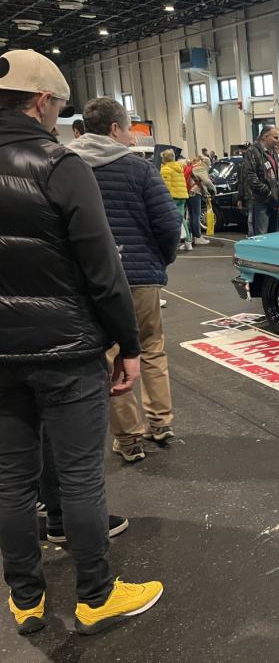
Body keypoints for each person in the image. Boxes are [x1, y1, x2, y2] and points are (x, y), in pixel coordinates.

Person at [0, 48, 163, 636]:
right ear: (42, 101)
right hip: (66, 350)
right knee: (80, 476)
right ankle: (96, 594)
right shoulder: (57, 164)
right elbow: (102, 267)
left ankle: (25, 599)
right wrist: (128, 345)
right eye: (59, 108)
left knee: (11, 482)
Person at [68, 95, 183, 463]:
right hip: (141, 276)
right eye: (129, 129)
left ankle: (129, 439)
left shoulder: (66, 166)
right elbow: (169, 224)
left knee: (111, 355)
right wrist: (158, 261)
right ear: (115, 128)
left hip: (94, 279)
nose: (132, 136)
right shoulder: (139, 169)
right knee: (151, 347)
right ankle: (160, 422)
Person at [241, 125, 279, 235]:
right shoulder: (252, 151)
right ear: (265, 137)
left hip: (274, 202)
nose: (277, 141)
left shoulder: (273, 152)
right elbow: (250, 176)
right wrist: (268, 192)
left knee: (274, 235)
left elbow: (278, 177)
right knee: (262, 236)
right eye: (275, 137)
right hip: (261, 201)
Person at [159, 149, 191, 250]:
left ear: (164, 158)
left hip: (173, 197)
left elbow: (166, 187)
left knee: (170, 220)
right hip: (182, 196)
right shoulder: (179, 167)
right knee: (181, 219)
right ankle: (188, 242)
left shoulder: (165, 169)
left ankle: (172, 243)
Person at [183, 156, 216, 246]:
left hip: (189, 192)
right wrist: (214, 189)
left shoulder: (193, 167)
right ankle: (198, 237)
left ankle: (192, 236)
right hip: (195, 193)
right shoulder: (201, 168)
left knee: (192, 216)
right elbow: (207, 181)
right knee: (196, 216)